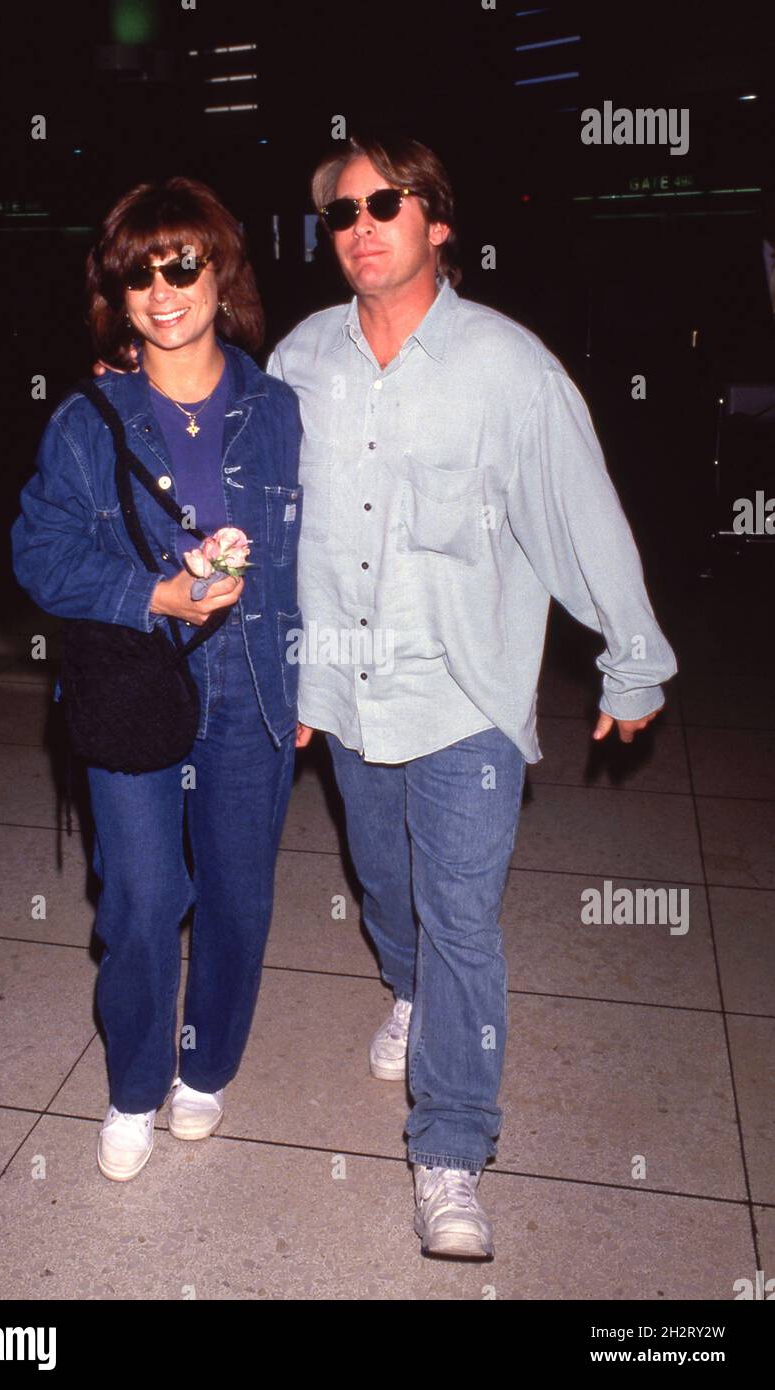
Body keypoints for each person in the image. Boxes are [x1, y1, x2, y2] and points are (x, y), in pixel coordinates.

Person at [268, 135, 677, 1259]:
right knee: (383, 881)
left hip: (464, 696)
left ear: (437, 222)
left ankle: (450, 1150)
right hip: (349, 690)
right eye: (342, 209)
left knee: (461, 920)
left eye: (384, 203)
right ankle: (404, 987)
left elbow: (579, 515)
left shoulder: (509, 368)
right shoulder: (302, 359)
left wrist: (630, 657)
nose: (360, 223)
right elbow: (262, 519)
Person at [12, 177, 303, 1181]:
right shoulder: (91, 419)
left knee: (236, 896)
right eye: (140, 272)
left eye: (183, 263)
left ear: (222, 273)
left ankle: (204, 1066)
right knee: (138, 895)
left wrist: (314, 687)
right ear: (119, 292)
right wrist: (153, 595)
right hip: (137, 675)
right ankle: (134, 1085)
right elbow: (38, 556)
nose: (163, 289)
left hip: (255, 679)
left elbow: (314, 554)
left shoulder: (277, 409)